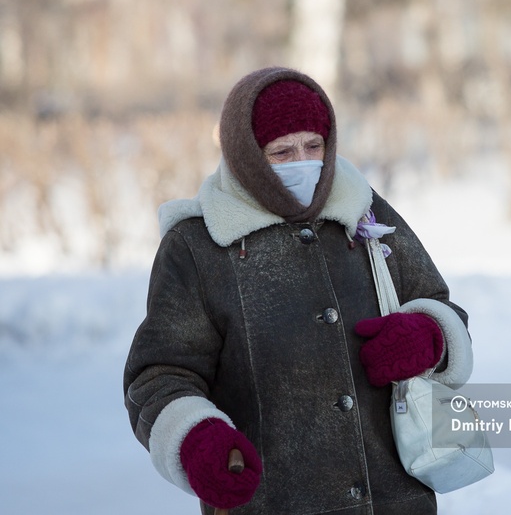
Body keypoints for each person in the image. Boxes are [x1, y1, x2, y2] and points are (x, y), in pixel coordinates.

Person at [123, 66, 473, 514]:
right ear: (245, 154)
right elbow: (159, 376)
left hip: (394, 500)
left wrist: (430, 336)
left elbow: (441, 306)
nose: (303, 163)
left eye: (313, 146)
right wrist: (196, 439)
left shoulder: (363, 212)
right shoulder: (199, 245)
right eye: (281, 152)